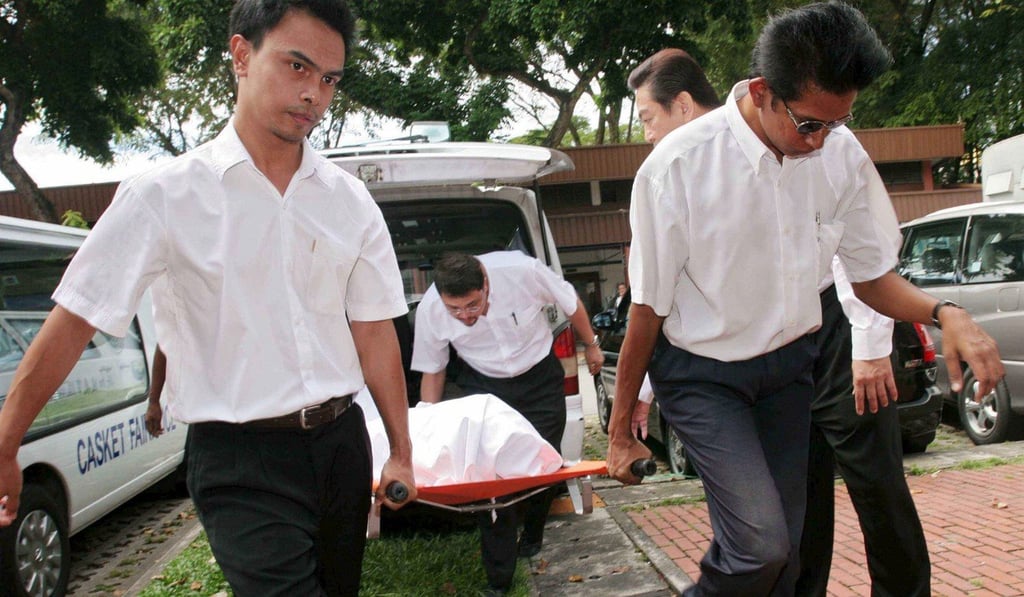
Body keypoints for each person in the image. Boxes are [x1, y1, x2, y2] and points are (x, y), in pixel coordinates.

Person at [0, 1, 418, 595]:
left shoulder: (349, 201)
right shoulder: (162, 197)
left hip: (340, 445)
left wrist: (401, 450)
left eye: (329, 79)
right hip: (239, 457)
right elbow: (74, 320)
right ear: (242, 55)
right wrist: (6, 443)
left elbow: (373, 331)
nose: (314, 94)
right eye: (297, 66)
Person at [606, 4, 1004, 596]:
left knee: (788, 560)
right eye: (810, 124)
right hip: (703, 376)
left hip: (790, 371)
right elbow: (647, 309)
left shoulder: (838, 152)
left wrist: (946, 313)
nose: (822, 141)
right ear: (762, 92)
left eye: (838, 123)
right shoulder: (677, 166)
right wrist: (619, 430)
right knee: (759, 548)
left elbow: (868, 277)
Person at [411, 250, 604, 595]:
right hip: (485, 385)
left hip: (539, 378)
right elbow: (434, 369)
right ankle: (498, 580)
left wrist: (591, 344)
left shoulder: (522, 271)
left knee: (544, 464)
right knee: (492, 477)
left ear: (486, 283)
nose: (465, 316)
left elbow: (569, 301)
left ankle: (532, 533)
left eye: (472, 305)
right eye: (455, 309)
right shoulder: (431, 310)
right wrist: (428, 420)